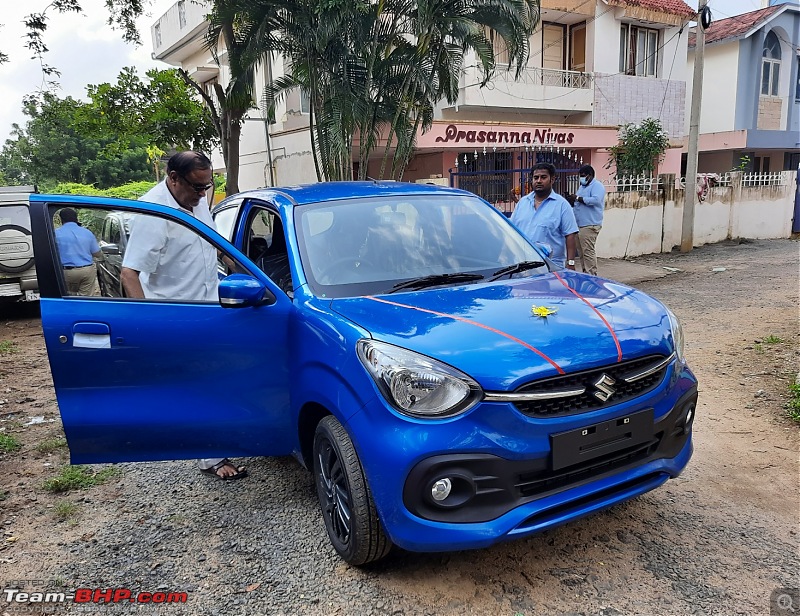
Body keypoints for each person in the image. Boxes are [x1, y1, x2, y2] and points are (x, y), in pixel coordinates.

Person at [120, 150, 248, 481]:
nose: (203, 194)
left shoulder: (195, 198)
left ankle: (218, 444)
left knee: (216, 382)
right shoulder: (154, 213)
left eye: (208, 186)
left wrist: (248, 273)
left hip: (210, 308)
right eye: (197, 187)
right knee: (199, 387)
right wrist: (149, 324)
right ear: (173, 178)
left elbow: (215, 243)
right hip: (176, 315)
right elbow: (129, 274)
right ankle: (212, 457)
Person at [510, 162, 578, 269]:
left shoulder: (562, 205)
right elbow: (511, 231)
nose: (539, 181)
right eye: (536, 178)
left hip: (550, 267)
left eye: (543, 177)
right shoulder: (522, 203)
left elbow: (570, 235)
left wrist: (571, 263)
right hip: (522, 265)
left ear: (552, 179)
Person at [54, 208, 102, 296]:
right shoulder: (87, 233)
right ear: (76, 218)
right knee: (86, 298)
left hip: (65, 272)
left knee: (66, 296)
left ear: (61, 219)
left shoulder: (55, 234)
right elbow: (97, 254)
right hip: (86, 271)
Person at [569, 164, 606, 276]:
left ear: (590, 175)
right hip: (579, 224)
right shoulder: (582, 187)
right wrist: (573, 200)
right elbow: (578, 202)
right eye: (580, 176)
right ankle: (586, 273)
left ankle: (592, 274)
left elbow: (595, 200)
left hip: (590, 224)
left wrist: (578, 198)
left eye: (583, 176)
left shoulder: (597, 186)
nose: (582, 178)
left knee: (588, 251)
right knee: (581, 252)